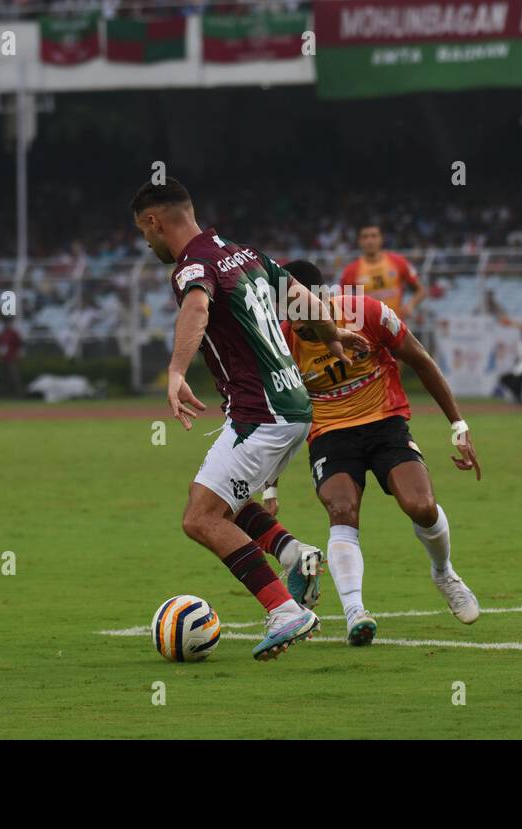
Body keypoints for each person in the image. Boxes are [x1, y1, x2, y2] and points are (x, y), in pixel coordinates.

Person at [131, 176, 366, 662]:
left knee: (199, 518)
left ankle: (285, 610)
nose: (146, 241)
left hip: (262, 413)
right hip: (291, 405)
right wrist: (334, 335)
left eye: (143, 231)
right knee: (218, 499)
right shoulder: (243, 253)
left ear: (154, 221)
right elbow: (300, 297)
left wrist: (175, 372)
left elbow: (197, 306)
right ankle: (293, 554)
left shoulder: (191, 265)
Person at [265, 259, 481, 645]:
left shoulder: (367, 312)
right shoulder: (282, 343)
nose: (296, 321)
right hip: (330, 433)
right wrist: (270, 486)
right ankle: (355, 612)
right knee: (342, 510)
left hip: (385, 422)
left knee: (421, 506)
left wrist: (458, 426)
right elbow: (278, 415)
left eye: (300, 308)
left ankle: (444, 572)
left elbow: (420, 360)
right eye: (288, 311)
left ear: (321, 297)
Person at [339, 223, 425, 320]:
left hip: (396, 327)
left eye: (374, 236)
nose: (370, 241)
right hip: (368, 331)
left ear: (381, 239)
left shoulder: (398, 262)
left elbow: (421, 290)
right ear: (359, 241)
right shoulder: (351, 270)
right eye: (365, 237)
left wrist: (411, 305)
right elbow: (343, 304)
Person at [0, 319, 23, 396]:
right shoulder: (2, 334)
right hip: (4, 358)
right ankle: (7, 394)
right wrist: (0, 357)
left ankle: (19, 394)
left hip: (12, 358)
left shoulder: (13, 334)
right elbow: (0, 346)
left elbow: (19, 344)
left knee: (14, 376)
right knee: (5, 378)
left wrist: (18, 355)